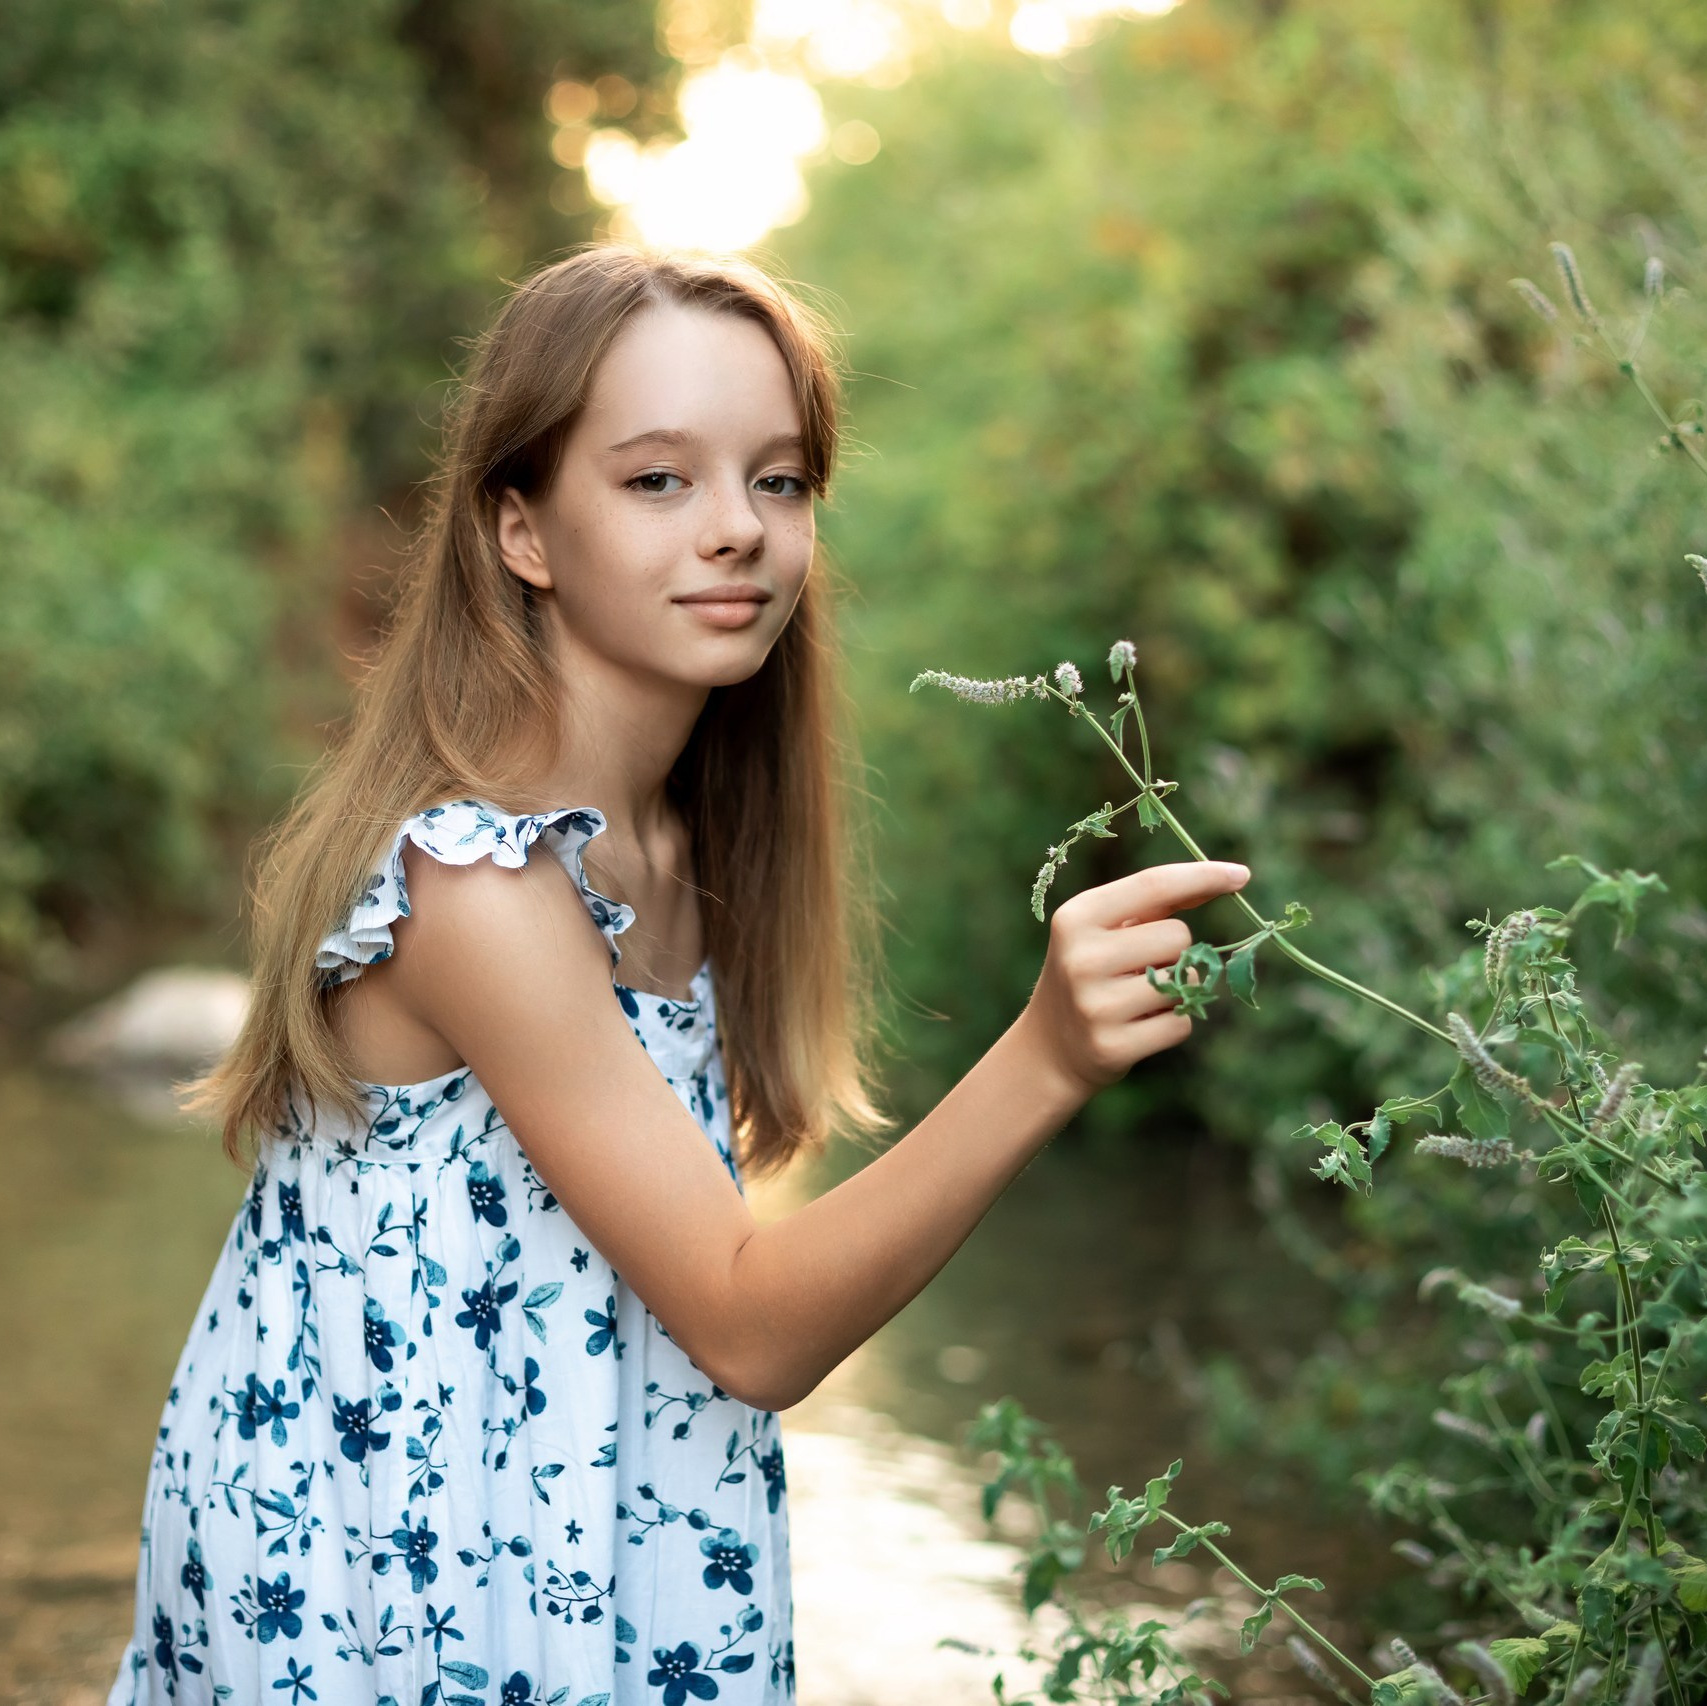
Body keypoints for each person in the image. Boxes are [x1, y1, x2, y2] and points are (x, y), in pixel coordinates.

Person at [106, 244, 1249, 1703]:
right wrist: (1045, 1054)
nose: (738, 531)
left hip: (591, 1527)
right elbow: (750, 1319)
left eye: (777, 480)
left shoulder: (684, 846)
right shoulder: (480, 886)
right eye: (659, 480)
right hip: (386, 1580)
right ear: (522, 529)